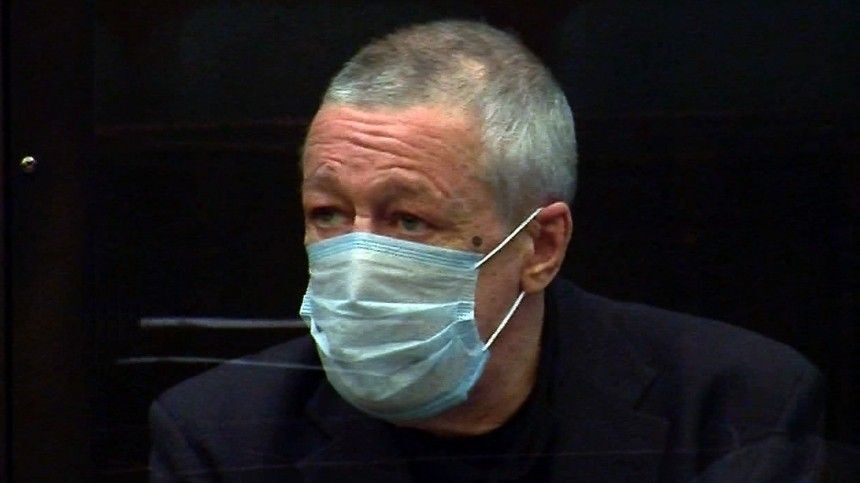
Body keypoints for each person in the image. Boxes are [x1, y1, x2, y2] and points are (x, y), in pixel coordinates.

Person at [149, 20, 824, 482]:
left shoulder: (731, 409)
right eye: (328, 214)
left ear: (541, 246)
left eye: (409, 220)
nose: (356, 262)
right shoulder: (223, 437)